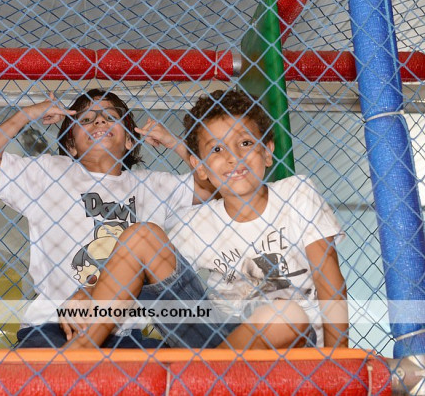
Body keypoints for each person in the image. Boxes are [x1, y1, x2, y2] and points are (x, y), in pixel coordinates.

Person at [65, 89, 348, 350]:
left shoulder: (296, 194)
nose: (233, 157)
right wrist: (88, 291)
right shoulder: (197, 223)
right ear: (199, 167)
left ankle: (204, 376)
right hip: (216, 338)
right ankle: (80, 352)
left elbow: (331, 286)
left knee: (285, 314)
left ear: (267, 151)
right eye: (217, 149)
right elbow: (135, 261)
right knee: (142, 235)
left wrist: (337, 365)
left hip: (293, 344)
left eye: (245, 143)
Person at [0, 88, 215, 348]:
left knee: (181, 360)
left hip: (124, 334)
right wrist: (27, 114)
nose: (99, 121)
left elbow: (214, 185)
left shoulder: (152, 185)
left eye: (110, 117)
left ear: (129, 140)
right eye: (86, 119)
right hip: (54, 326)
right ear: (71, 145)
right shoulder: (50, 172)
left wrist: (174, 143)